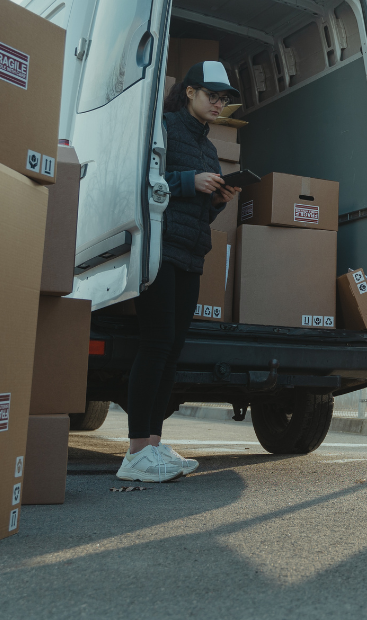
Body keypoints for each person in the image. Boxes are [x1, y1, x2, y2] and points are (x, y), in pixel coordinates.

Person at [116, 61, 242, 482]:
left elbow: (199, 214)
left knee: (172, 349)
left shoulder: (209, 147)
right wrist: (190, 181)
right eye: (212, 95)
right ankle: (135, 453)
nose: (219, 103)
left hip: (191, 254)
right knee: (155, 344)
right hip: (158, 250)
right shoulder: (164, 128)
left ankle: (152, 445)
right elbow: (139, 181)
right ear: (189, 91)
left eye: (224, 99)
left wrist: (220, 197)